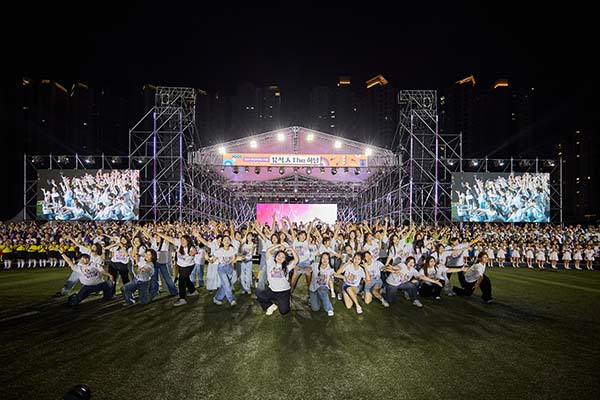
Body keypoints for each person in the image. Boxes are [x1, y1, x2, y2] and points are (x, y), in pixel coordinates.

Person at [157, 232, 199, 307]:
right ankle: (193, 291)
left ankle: (182, 299)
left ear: (188, 241)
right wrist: (159, 233)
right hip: (181, 266)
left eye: (184, 240)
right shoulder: (179, 243)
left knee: (181, 281)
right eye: (181, 240)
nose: (182, 242)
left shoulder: (191, 248)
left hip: (188, 266)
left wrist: (192, 253)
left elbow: (194, 252)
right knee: (186, 279)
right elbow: (168, 238)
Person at [257, 243, 298, 316]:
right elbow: (268, 251)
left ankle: (285, 300)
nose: (280, 257)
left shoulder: (287, 267)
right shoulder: (270, 263)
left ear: (285, 259)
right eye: (279, 255)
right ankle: (271, 306)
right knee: (260, 295)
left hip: (283, 292)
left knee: (284, 312)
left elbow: (296, 260)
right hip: (272, 290)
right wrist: (278, 245)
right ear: (275, 256)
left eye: (282, 257)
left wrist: (291, 249)